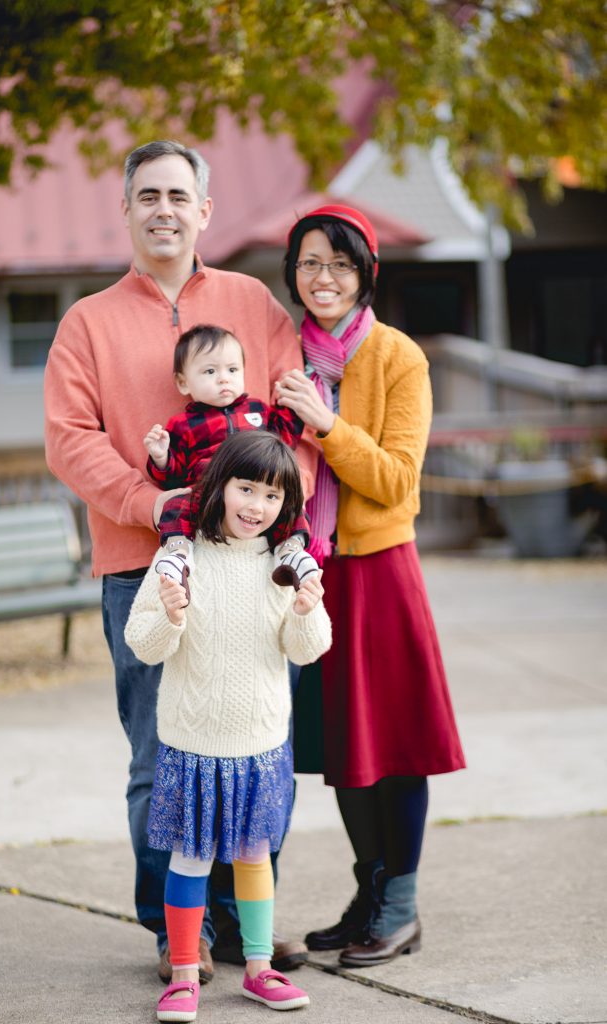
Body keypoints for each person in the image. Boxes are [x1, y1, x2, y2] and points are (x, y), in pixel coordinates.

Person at [43, 140, 317, 982]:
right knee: (158, 757)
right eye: (147, 194)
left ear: (205, 211)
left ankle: (247, 927)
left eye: (179, 195)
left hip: (254, 571)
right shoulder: (86, 321)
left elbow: (294, 427)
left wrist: (283, 521)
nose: (164, 208)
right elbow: (69, 440)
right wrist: (148, 501)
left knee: (259, 743)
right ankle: (177, 933)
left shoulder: (251, 304)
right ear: (125, 210)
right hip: (142, 566)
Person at [274, 204, 466, 967]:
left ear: (365, 275)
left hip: (380, 571)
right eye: (310, 263)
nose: (323, 278)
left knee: (396, 742)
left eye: (340, 264)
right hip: (309, 576)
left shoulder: (396, 357)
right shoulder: (281, 356)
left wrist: (324, 423)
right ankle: (368, 887)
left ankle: (402, 905)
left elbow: (395, 481)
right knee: (341, 744)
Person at [124, 431, 332, 1022]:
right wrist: (170, 614)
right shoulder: (181, 557)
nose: (256, 506)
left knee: (252, 858)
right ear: (217, 488)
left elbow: (309, 649)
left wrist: (306, 608)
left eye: (272, 496)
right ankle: (185, 975)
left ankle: (260, 970)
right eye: (246, 488)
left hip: (258, 745)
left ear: (285, 505)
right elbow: (143, 642)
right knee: (189, 860)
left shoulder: (283, 566)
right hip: (193, 744)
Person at [144, 322, 319, 598]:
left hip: (255, 492)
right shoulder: (183, 425)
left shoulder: (258, 411)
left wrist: (289, 404)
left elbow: (283, 440)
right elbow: (173, 477)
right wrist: (161, 456)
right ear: (183, 382)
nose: (224, 378)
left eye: (232, 370)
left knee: (289, 503)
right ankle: (179, 554)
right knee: (175, 503)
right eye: (210, 371)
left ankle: (291, 552)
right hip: (210, 495)